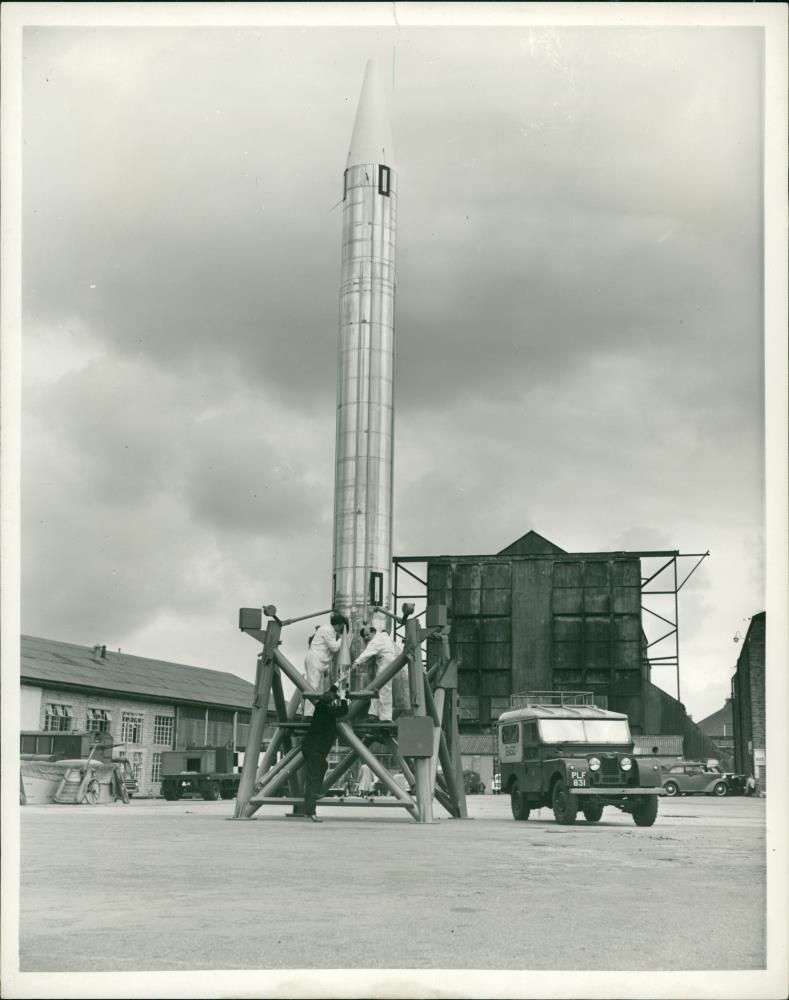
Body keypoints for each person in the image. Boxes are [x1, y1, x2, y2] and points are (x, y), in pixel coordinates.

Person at [300, 685, 348, 822]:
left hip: (311, 748)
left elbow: (329, 696)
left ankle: (316, 793)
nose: (334, 703)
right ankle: (311, 811)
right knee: (312, 780)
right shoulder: (328, 711)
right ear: (330, 703)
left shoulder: (321, 707)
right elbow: (343, 711)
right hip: (315, 751)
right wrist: (343, 698)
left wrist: (336, 687)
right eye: (333, 702)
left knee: (323, 766)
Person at [351, 626, 400, 722]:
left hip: (386, 663)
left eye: (367, 635)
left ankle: (385, 717)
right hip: (387, 662)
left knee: (384, 689)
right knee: (378, 688)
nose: (366, 638)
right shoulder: (384, 637)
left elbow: (367, 653)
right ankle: (374, 713)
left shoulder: (376, 641)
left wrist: (356, 662)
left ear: (374, 632)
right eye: (364, 636)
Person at [302, 613, 347, 717]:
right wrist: (342, 638)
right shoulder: (328, 630)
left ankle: (314, 713)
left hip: (319, 662)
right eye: (342, 627)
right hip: (315, 660)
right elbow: (334, 648)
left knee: (318, 689)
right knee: (313, 687)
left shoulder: (327, 629)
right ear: (339, 625)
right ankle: (308, 714)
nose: (341, 629)